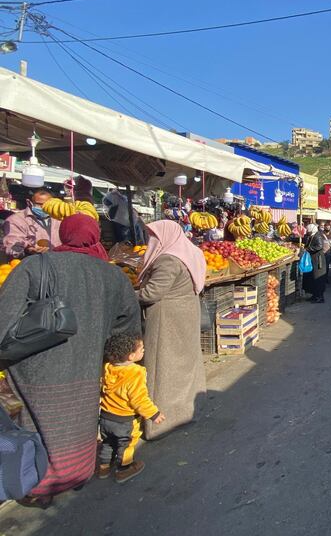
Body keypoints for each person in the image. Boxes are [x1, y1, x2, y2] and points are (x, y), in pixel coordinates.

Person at [0, 216, 141, 505]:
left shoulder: (36, 266)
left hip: (36, 363)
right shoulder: (113, 275)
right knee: (80, 419)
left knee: (37, 421)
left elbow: (5, 316)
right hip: (88, 364)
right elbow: (127, 325)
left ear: (63, 235)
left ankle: (37, 485)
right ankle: (76, 473)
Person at [138, 220, 207, 440]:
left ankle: (161, 422)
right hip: (187, 312)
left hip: (168, 318)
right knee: (185, 364)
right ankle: (185, 412)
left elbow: (151, 294)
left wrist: (127, 294)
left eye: (154, 236)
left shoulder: (168, 259)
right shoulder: (191, 252)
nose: (151, 241)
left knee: (163, 366)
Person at [97, 334, 165, 484]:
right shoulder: (136, 372)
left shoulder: (107, 367)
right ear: (131, 356)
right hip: (125, 421)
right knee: (126, 445)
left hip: (106, 417)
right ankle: (123, 470)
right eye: (142, 348)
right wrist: (154, 414)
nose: (144, 350)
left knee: (108, 442)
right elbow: (139, 399)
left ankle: (103, 468)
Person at [2, 189, 62, 259]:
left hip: (57, 262)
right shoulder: (16, 220)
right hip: (30, 263)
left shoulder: (58, 218)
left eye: (47, 204)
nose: (44, 207)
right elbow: (12, 244)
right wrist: (27, 249)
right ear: (29, 202)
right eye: (39, 204)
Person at [302, 223, 328, 303]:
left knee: (318, 278)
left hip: (318, 260)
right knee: (313, 278)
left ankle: (320, 297)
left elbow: (319, 246)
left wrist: (308, 249)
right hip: (313, 259)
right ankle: (314, 295)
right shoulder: (312, 235)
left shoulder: (318, 236)